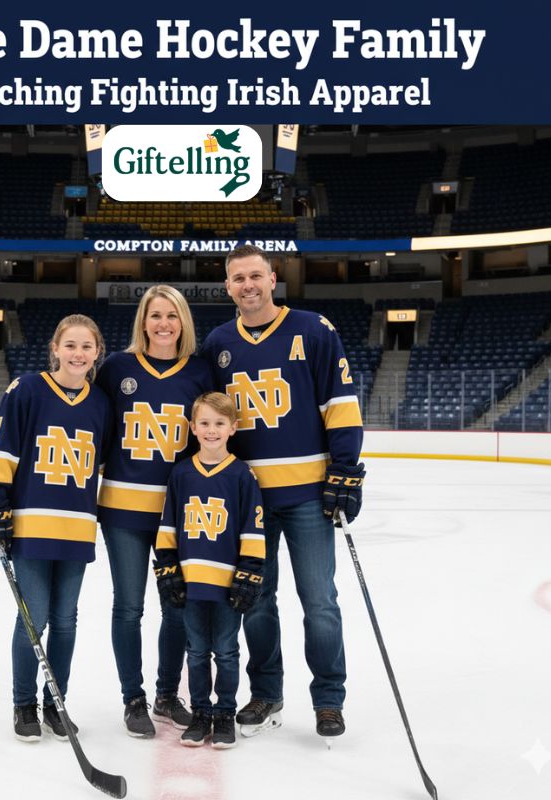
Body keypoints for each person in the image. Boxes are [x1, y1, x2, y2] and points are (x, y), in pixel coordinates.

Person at [200, 244, 365, 741]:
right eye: (237, 279)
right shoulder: (217, 343)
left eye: (255, 275)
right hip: (249, 500)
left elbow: (340, 403)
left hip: (309, 497)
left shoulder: (314, 330)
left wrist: (345, 470)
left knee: (320, 602)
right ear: (227, 286)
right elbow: (208, 420)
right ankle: (267, 692)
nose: (247, 285)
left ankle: (328, 700)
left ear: (273, 278)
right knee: (257, 600)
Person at [0, 314, 111, 743]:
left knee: (65, 620)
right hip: (32, 527)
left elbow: (101, 465)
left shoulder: (101, 402)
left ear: (96, 353)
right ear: (54, 348)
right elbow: (3, 452)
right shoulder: (27, 390)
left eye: (86, 347)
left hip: (77, 528)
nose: (78, 354)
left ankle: (56, 704)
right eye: (70, 345)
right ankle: (23, 704)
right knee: (33, 619)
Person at [96, 285, 213, 737]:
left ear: (183, 322)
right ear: (142, 321)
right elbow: (94, 429)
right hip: (123, 507)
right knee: (128, 606)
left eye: (172, 315)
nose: (163, 323)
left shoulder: (201, 372)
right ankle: (134, 698)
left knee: (177, 608)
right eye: (155, 315)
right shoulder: (116, 368)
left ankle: (167, 694)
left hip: (177, 513)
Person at [153, 392, 265, 749]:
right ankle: (201, 713)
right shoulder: (181, 473)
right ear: (192, 427)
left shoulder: (242, 476)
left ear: (233, 428)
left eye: (219, 423)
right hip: (191, 582)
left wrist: (248, 573)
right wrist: (167, 567)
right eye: (204, 423)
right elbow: (168, 524)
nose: (211, 430)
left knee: (227, 651)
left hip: (228, 583)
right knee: (197, 651)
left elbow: (253, 528)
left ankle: (224, 713)